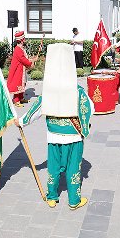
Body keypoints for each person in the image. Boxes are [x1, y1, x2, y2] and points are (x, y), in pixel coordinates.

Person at [18, 43, 93, 209]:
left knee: (53, 166)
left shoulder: (48, 91)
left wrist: (21, 121)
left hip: (53, 134)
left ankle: (52, 196)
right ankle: (74, 200)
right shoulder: (78, 90)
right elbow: (89, 108)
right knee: (74, 166)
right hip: (73, 134)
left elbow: (35, 111)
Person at [7, 31, 37, 106]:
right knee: (18, 85)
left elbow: (24, 58)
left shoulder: (20, 48)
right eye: (24, 38)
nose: (25, 40)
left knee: (22, 84)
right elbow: (23, 59)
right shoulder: (18, 49)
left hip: (21, 70)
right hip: (18, 71)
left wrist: (31, 59)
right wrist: (31, 63)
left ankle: (21, 98)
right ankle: (16, 100)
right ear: (21, 40)